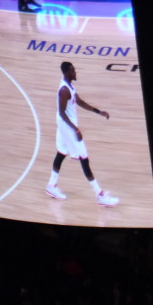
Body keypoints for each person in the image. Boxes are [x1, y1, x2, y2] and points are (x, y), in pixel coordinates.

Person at [45, 61, 119, 206]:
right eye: (73, 70)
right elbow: (62, 113)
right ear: (67, 72)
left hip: (64, 126)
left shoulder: (70, 86)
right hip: (67, 127)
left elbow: (79, 101)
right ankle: (100, 195)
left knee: (61, 153)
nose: (75, 72)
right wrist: (75, 129)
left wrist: (98, 112)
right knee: (84, 159)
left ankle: (51, 185)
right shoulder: (64, 90)